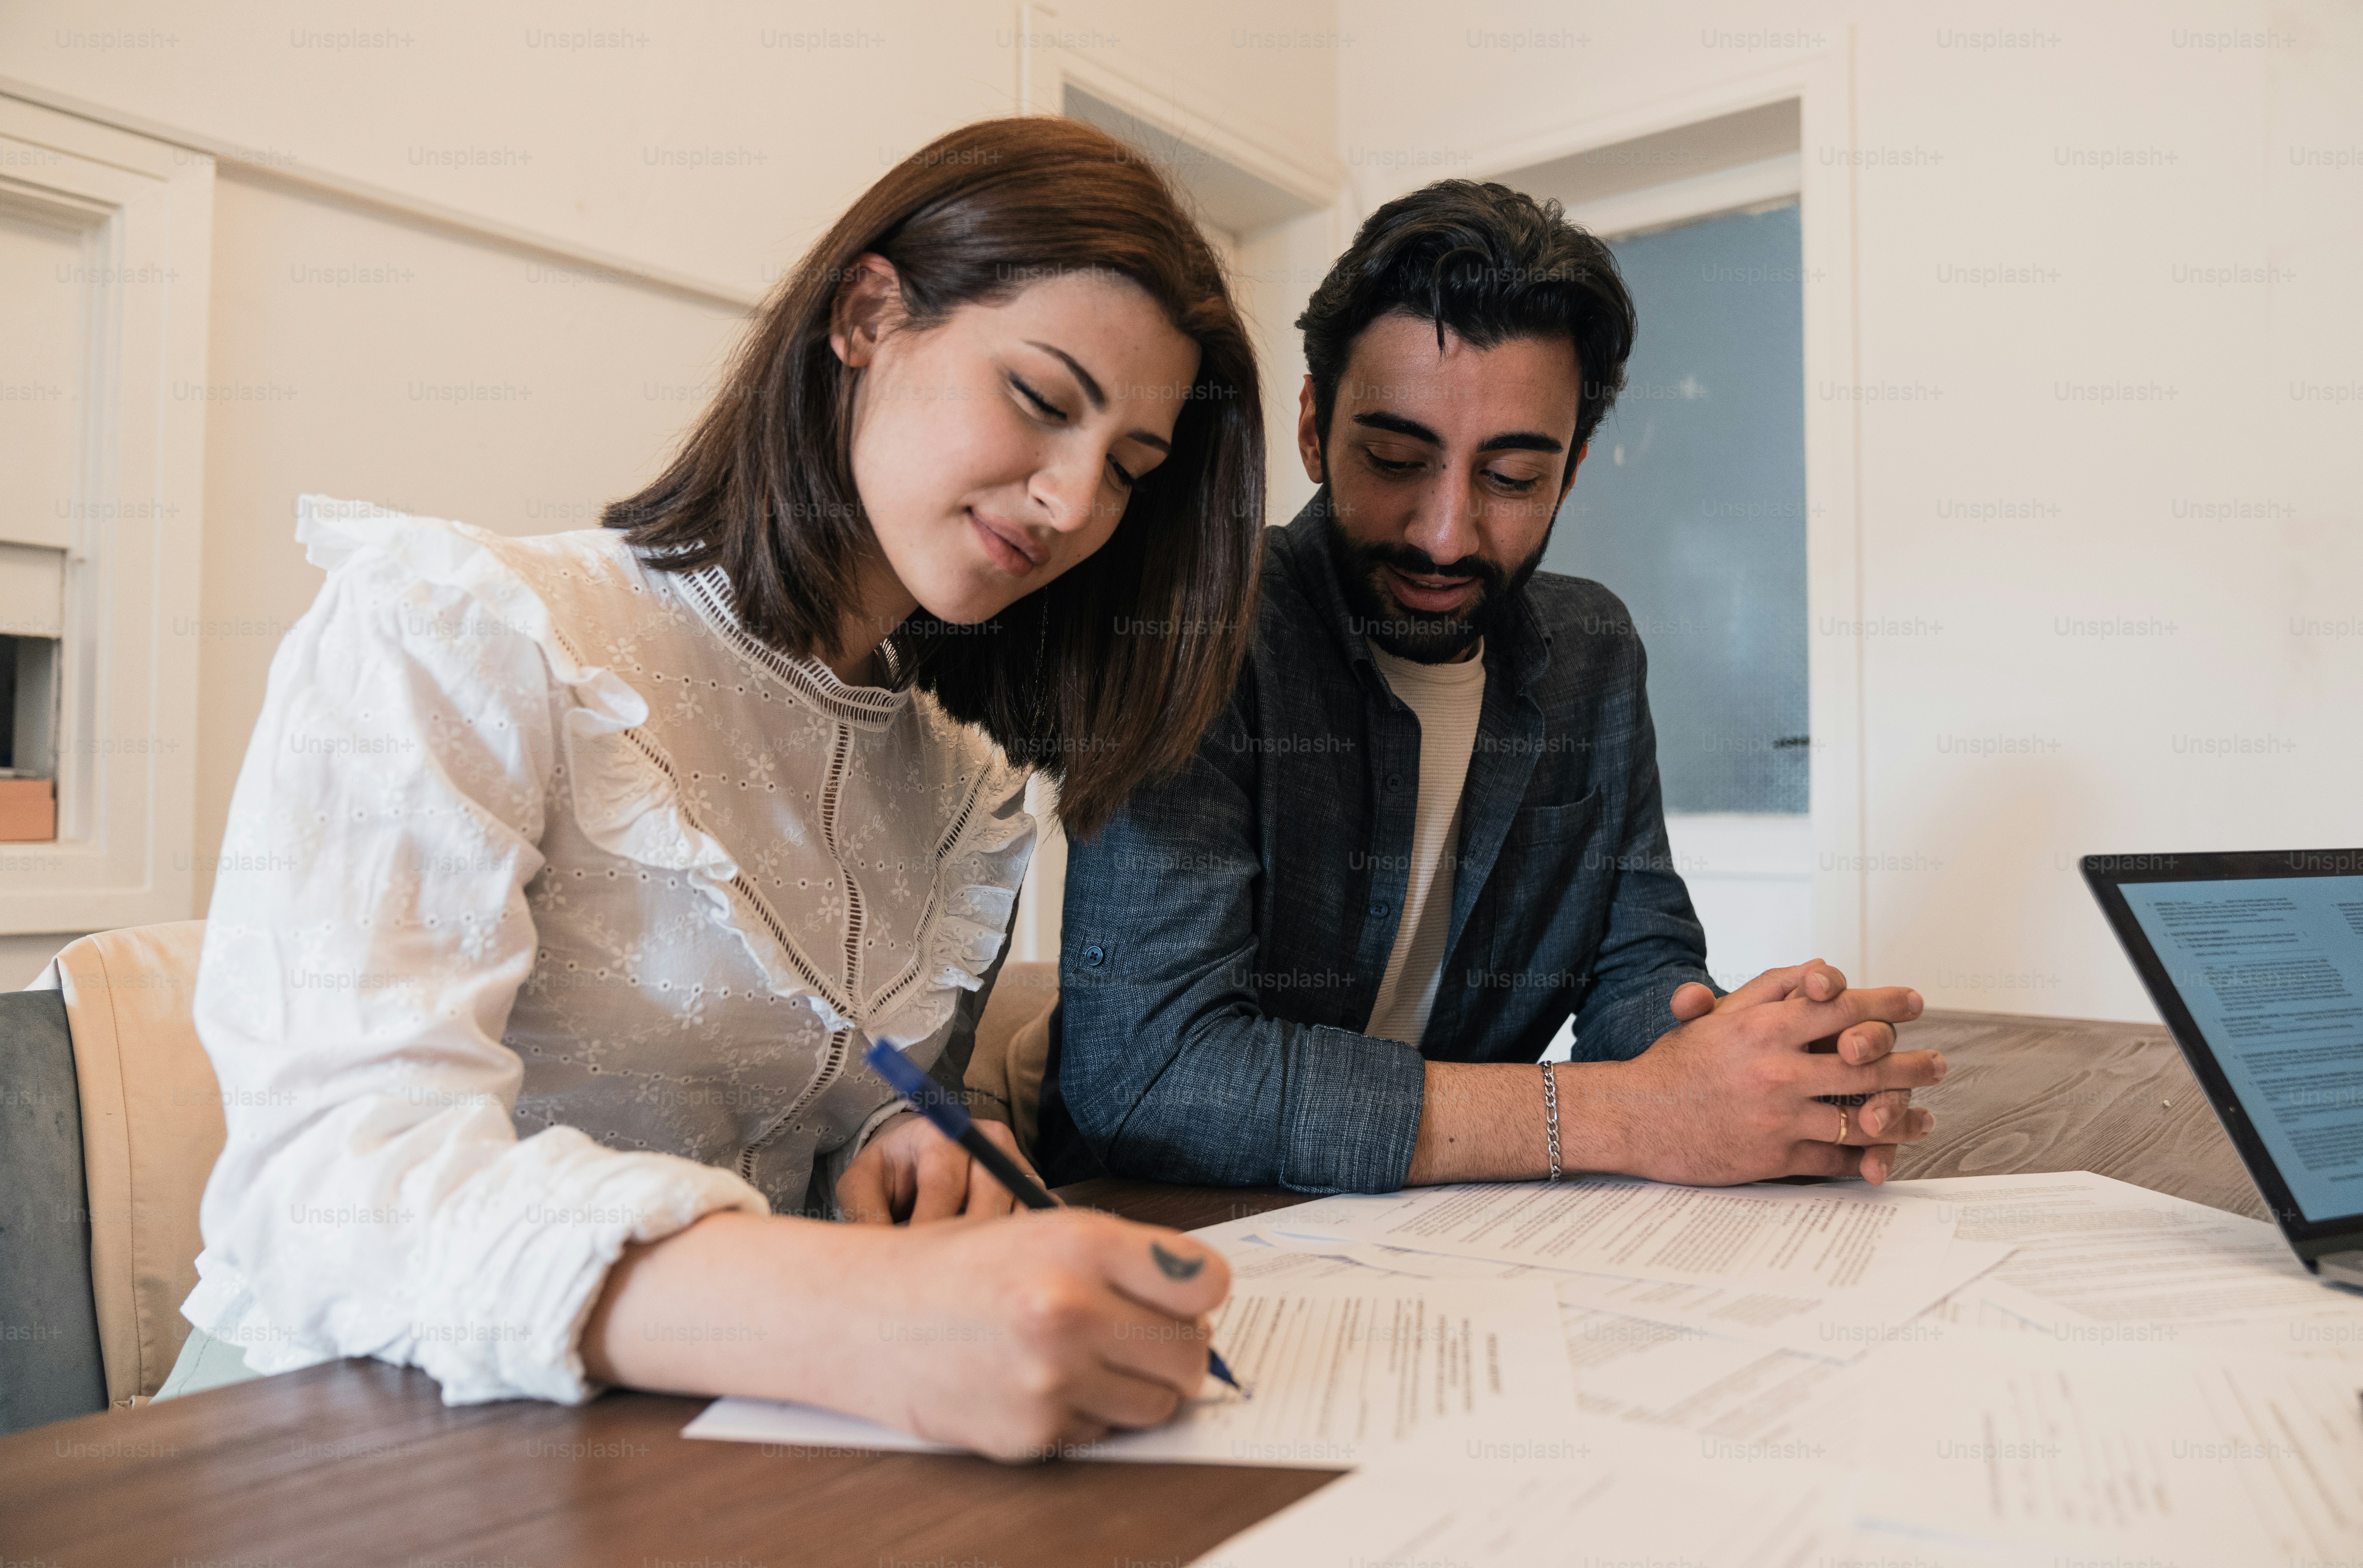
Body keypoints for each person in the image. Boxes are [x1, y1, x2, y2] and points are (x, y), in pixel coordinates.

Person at [171, 116, 1258, 1460]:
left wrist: (928, 1151)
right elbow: (331, 1190)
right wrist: (860, 1311)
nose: (1072, 501)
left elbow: (855, 1106)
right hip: (337, 1444)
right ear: (868, 314)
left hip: (689, 1450)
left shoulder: (961, 786)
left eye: (1130, 472)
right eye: (1041, 400)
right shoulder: (461, 628)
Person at [1039, 179, 1944, 1195]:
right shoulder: (1192, 635)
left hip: (1467, 1235)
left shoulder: (1592, 648)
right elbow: (1151, 1078)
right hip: (1169, 1238)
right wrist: (1630, 1112)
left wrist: (1753, 1061)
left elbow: (1632, 962)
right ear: (1309, 426)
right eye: (1393, 458)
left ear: (1571, 470)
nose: (1444, 534)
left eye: (1511, 479)